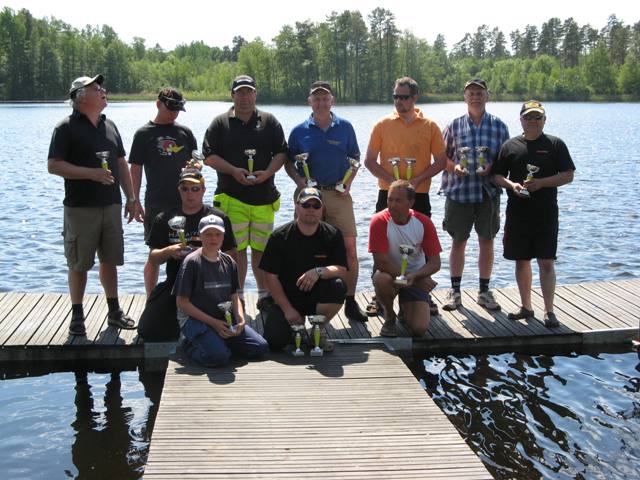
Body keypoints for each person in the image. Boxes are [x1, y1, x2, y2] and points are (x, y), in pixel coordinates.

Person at [47, 74, 136, 336]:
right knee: (78, 264)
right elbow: (54, 165)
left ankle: (114, 312)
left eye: (101, 87)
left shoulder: (110, 126)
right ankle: (77, 316)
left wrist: (131, 198)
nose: (103, 90)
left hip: (111, 205)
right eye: (97, 88)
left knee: (110, 260)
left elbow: (120, 163)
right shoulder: (65, 128)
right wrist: (91, 174)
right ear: (80, 97)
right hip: (80, 208)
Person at [203, 75, 288, 311]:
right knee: (235, 251)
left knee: (261, 251)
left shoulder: (269, 121)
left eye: (248, 92)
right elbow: (208, 156)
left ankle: (264, 295)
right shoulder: (220, 123)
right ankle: (237, 297)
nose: (244, 97)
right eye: (239, 92)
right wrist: (233, 170)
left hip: (264, 200)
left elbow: (282, 153)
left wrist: (268, 172)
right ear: (232, 95)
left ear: (255, 94)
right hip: (232, 198)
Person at [363, 76, 446, 316]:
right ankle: (379, 295)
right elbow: (369, 161)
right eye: (395, 97)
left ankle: (423, 293)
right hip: (387, 194)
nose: (399, 101)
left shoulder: (430, 126)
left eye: (404, 97)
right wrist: (393, 183)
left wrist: (417, 180)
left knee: (421, 246)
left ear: (415, 97)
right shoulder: (382, 124)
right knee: (382, 245)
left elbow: (441, 161)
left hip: (419, 194)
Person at [286, 80, 367, 323]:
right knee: (301, 248)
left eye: (325, 98)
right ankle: (299, 298)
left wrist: (349, 182)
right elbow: (288, 161)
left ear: (332, 101)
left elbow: (355, 158)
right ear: (309, 101)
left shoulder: (345, 127)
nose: (321, 102)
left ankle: (350, 301)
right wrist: (300, 181)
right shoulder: (299, 131)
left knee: (349, 249)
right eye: (316, 98)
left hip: (338, 195)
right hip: (308, 196)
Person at [493, 100, 575, 328]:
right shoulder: (510, 146)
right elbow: (497, 176)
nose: (532, 121)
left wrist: (541, 183)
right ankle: (526, 306)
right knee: (521, 261)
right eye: (528, 117)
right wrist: (512, 185)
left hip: (545, 213)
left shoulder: (555, 144)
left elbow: (568, 175)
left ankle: (549, 311)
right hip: (517, 212)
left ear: (544, 120)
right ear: (521, 119)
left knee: (546, 261)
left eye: (537, 117)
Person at [136, 168, 237, 341]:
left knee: (229, 328)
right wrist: (169, 251)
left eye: (195, 189)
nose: (190, 194)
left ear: (203, 190)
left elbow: (231, 254)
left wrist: (206, 254)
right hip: (176, 284)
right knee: (148, 330)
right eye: (185, 189)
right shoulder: (164, 218)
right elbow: (153, 258)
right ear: (179, 190)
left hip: (211, 284)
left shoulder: (218, 218)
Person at [439, 78, 510, 312]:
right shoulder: (453, 126)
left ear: (487, 96)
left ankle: (484, 291)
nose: (475, 97)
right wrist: (455, 167)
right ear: (465, 97)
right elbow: (441, 158)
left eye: (479, 93)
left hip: (488, 193)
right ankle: (455, 291)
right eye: (471, 93)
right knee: (458, 241)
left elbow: (506, 159)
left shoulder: (499, 127)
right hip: (459, 193)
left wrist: (492, 168)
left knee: (487, 241)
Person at [259, 188, 348, 352]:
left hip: (317, 297)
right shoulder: (279, 236)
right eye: (306, 205)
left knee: (338, 286)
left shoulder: (333, 234)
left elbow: (342, 270)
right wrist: (288, 310)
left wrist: (318, 271)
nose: (311, 209)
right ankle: (296, 327)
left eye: (316, 206)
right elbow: (270, 276)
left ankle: (318, 330)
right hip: (288, 298)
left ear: (322, 209)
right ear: (296, 206)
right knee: (275, 341)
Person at [173, 215, 268, 367]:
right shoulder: (191, 262)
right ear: (200, 236)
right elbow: (182, 303)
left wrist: (241, 319)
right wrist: (213, 323)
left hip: (222, 318)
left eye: (218, 234)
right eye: (208, 234)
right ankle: (190, 346)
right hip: (196, 321)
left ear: (223, 237)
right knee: (219, 358)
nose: (213, 239)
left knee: (260, 347)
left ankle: (219, 342)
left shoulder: (229, 261)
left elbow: (234, 295)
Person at [129, 87, 198, 296]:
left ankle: (185, 297)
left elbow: (196, 162)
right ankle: (151, 299)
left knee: (188, 250)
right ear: (158, 104)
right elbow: (135, 169)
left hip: (185, 201)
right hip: (156, 202)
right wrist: (134, 200)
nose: (174, 113)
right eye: (170, 109)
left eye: (178, 109)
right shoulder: (144, 134)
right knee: (155, 253)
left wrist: (196, 167)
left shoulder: (185, 133)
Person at [369, 180, 442, 338]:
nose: (392, 205)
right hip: (391, 276)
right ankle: (389, 316)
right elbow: (381, 262)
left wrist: (415, 277)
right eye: (390, 200)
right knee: (381, 279)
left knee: (419, 329)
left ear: (411, 202)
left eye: (398, 201)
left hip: (415, 276)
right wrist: (413, 279)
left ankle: (405, 308)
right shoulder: (379, 221)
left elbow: (435, 263)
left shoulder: (424, 222)